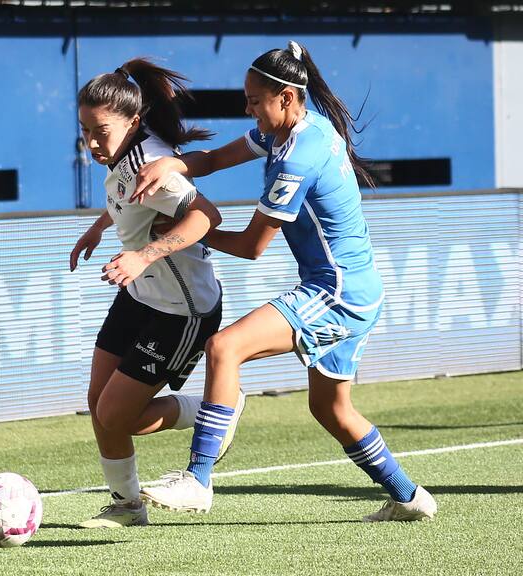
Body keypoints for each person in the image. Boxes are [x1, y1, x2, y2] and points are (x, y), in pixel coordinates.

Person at [136, 42, 437, 522]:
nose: (248, 108)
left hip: (335, 294)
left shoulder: (297, 157)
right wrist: (172, 163)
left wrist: (186, 235)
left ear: (285, 97)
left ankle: (197, 479)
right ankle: (411, 497)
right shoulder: (296, 128)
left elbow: (255, 247)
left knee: (224, 348)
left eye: (255, 100)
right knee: (331, 410)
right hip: (357, 287)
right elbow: (213, 160)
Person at [70, 58, 246, 528]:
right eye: (84, 129)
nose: (90, 142)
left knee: (116, 417)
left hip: (182, 310)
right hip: (143, 294)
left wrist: (142, 256)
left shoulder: (154, 164)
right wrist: (99, 226)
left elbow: (208, 217)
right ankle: (128, 506)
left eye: (99, 131)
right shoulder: (123, 155)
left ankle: (217, 410)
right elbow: (129, 199)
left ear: (132, 121)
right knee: (98, 404)